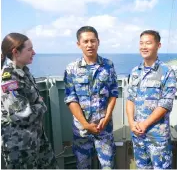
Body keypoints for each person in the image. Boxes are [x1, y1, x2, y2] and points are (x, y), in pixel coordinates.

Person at [64, 26, 118, 169]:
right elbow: (71, 99)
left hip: (104, 128)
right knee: (82, 166)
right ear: (79, 44)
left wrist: (106, 118)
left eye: (93, 41)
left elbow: (113, 93)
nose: (89, 45)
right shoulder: (72, 68)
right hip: (82, 130)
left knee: (108, 166)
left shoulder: (108, 65)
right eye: (86, 41)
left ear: (98, 42)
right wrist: (86, 124)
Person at [1, 33, 58, 169]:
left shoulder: (24, 72)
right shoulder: (9, 79)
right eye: (29, 49)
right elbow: (22, 116)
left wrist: (35, 104)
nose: (34, 52)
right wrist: (41, 105)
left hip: (36, 138)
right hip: (20, 146)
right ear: (16, 52)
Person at [126, 30, 177, 169]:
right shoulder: (135, 71)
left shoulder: (167, 71)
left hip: (157, 137)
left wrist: (145, 124)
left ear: (158, 45)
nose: (144, 46)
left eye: (148, 43)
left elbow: (165, 103)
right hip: (138, 135)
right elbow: (130, 99)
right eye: (141, 43)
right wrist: (131, 123)